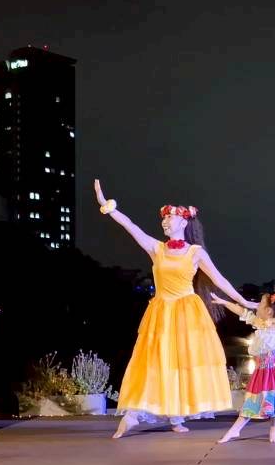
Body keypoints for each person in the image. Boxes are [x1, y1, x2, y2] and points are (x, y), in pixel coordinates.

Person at [93, 180, 257, 436]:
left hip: (187, 312)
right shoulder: (156, 248)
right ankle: (134, 414)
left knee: (182, 363)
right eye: (164, 219)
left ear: (184, 222)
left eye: (170, 218)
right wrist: (108, 207)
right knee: (155, 362)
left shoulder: (195, 252)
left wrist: (243, 302)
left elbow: (219, 280)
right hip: (161, 311)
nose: (165, 222)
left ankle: (176, 416)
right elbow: (131, 226)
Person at [213, 289, 275, 443]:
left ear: (268, 311)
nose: (256, 306)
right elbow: (242, 311)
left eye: (260, 304)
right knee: (252, 401)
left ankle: (273, 432)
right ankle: (235, 430)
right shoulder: (260, 322)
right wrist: (224, 302)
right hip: (262, 369)